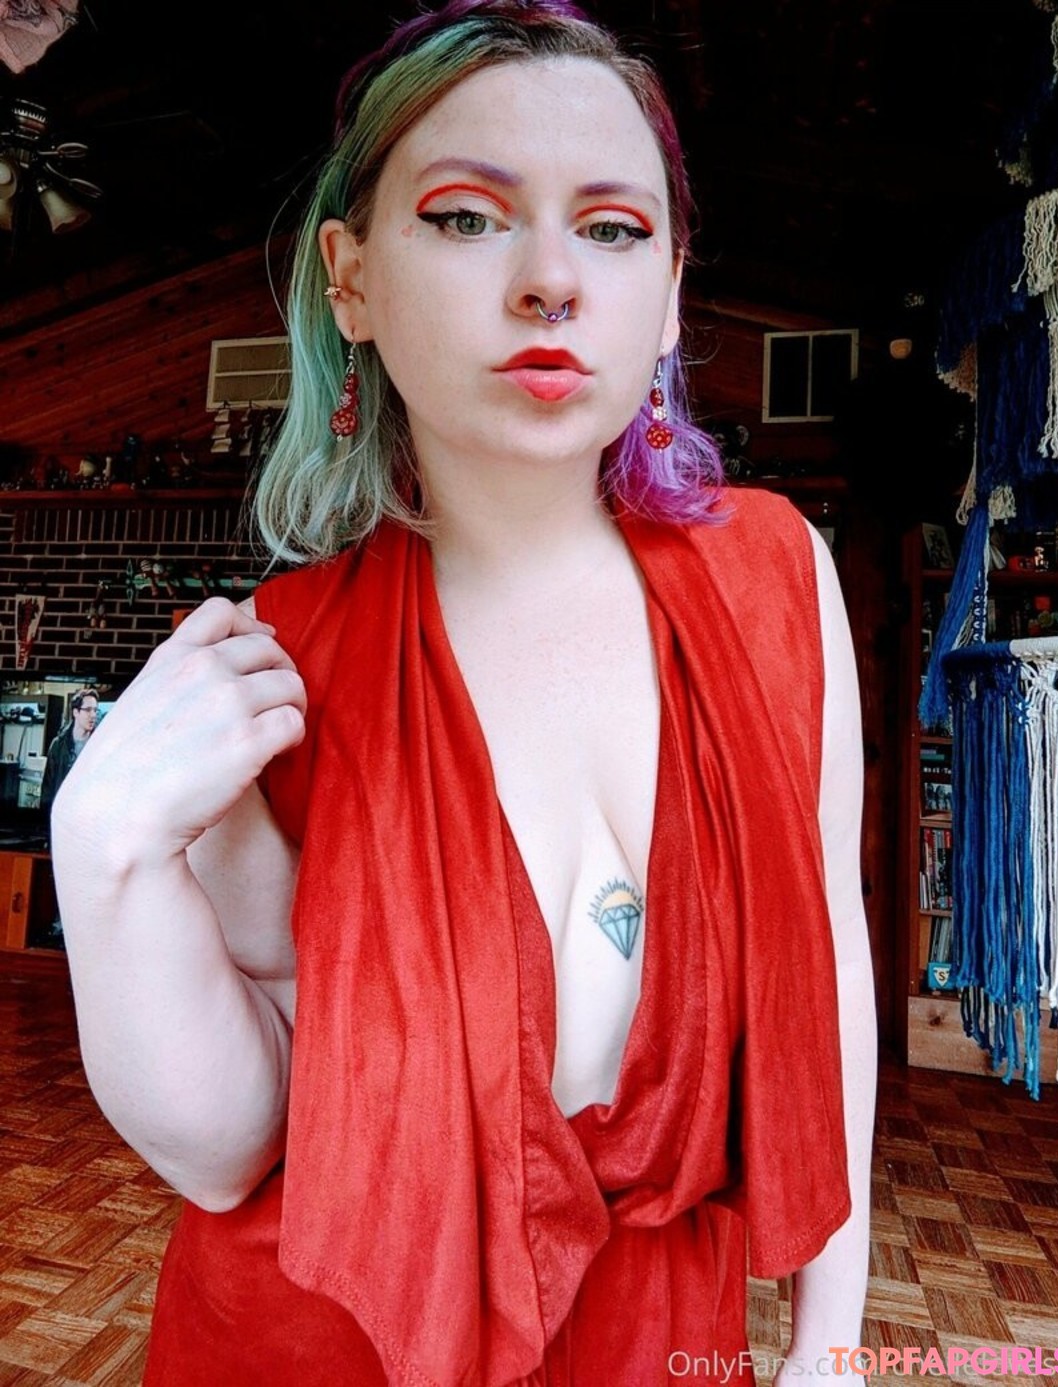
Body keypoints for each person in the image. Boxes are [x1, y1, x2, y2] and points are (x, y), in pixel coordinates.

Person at [50, 3, 877, 1382]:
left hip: (665, 1341)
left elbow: (831, 955)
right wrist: (104, 853)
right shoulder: (279, 661)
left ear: (671, 291)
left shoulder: (778, 575)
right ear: (351, 281)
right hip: (344, 1345)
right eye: (466, 216)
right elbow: (231, 1148)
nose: (551, 279)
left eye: (612, 227)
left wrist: (833, 1339)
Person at [40, 687, 98, 815]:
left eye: (95, 710)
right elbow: (47, 788)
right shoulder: (58, 745)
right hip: (61, 812)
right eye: (88, 710)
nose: (93, 715)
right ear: (76, 712)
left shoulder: (99, 745)